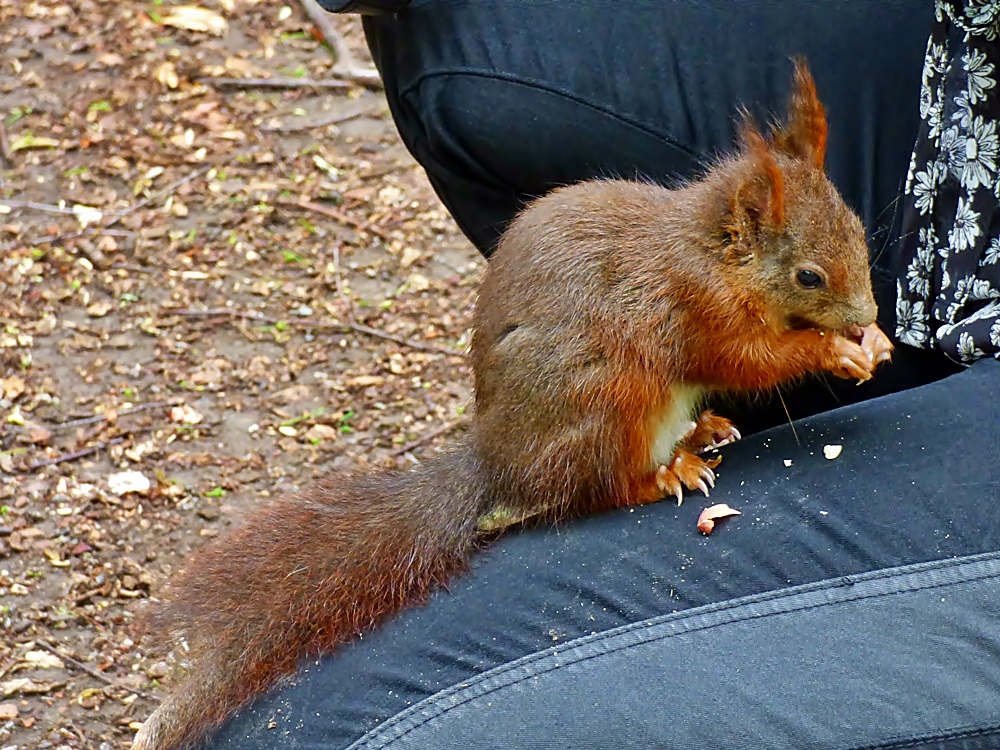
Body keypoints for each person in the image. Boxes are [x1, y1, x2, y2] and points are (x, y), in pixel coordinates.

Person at [204, 3, 1000, 748]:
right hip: (573, 418)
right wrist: (821, 349)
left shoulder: (717, 266)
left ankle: (669, 443)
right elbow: (730, 360)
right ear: (742, 233)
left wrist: (828, 330)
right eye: (815, 285)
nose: (859, 313)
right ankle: (629, 482)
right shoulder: (703, 284)